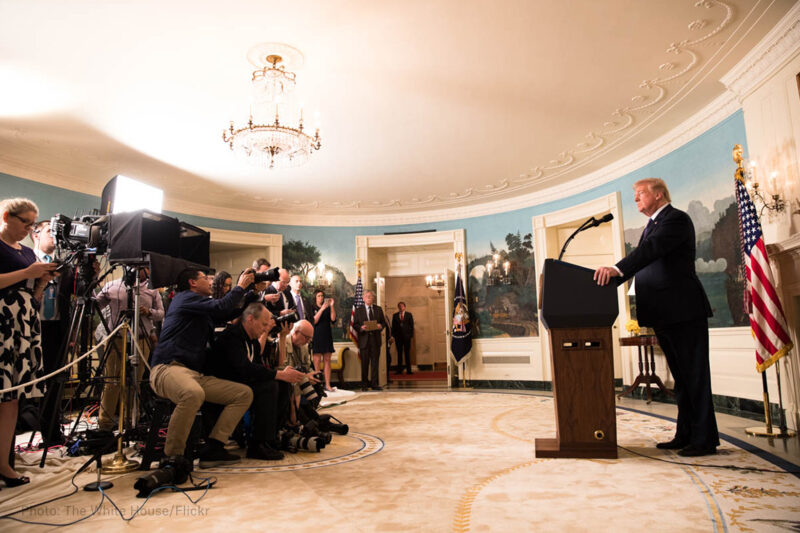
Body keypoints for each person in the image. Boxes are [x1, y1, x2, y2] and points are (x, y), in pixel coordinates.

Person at [594, 177, 719, 457]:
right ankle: (685, 433)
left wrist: (616, 269)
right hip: (665, 312)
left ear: (659, 194)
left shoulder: (675, 219)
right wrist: (610, 279)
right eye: (635, 195)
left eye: (640, 194)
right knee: (681, 379)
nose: (636, 199)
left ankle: (704, 440)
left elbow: (649, 252)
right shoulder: (653, 225)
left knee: (694, 376)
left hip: (684, 310)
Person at [148, 268, 255, 468]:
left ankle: (214, 447)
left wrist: (251, 293)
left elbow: (227, 311)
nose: (210, 281)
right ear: (192, 283)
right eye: (205, 278)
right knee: (192, 393)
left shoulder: (199, 309)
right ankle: (172, 458)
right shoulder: (184, 298)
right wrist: (240, 286)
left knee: (243, 394)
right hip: (168, 368)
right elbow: (222, 305)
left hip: (194, 375)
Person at [0, 198, 57, 487]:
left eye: (33, 224)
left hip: (22, 325)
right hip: (1, 323)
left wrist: (42, 281)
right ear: (7, 216)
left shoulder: (25, 252)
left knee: (11, 396)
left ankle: (4, 464)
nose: (28, 229)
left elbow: (32, 298)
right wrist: (27, 273)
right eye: (25, 222)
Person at [207, 302, 309, 460]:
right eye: (263, 324)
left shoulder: (252, 340)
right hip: (223, 382)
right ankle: (257, 444)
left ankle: (270, 438)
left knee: (282, 384)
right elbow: (243, 368)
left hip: (241, 380)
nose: (265, 328)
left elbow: (258, 368)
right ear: (250, 319)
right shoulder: (232, 336)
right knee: (269, 386)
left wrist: (280, 374)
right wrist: (278, 374)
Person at [94, 267, 164, 431]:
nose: (138, 270)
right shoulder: (112, 285)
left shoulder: (152, 290)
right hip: (116, 338)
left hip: (141, 340)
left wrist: (148, 312)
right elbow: (96, 305)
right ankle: (105, 423)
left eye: (143, 267)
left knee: (136, 382)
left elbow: (161, 313)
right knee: (112, 381)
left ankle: (133, 420)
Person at [352, 290, 386, 391]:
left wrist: (380, 326)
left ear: (373, 298)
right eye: (366, 296)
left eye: (370, 296)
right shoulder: (358, 310)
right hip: (364, 341)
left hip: (375, 340)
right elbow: (355, 325)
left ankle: (374, 384)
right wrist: (361, 328)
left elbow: (383, 323)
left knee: (375, 363)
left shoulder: (378, 309)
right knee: (365, 364)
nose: (368, 298)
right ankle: (364, 384)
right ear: (363, 298)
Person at [311, 289, 336, 391]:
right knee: (317, 361)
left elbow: (333, 319)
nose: (321, 298)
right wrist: (321, 309)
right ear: (315, 297)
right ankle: (318, 385)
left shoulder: (328, 307)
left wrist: (331, 306)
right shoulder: (312, 307)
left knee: (327, 360)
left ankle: (327, 384)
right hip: (316, 334)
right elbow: (314, 321)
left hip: (327, 335)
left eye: (322, 296)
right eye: (318, 296)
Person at [391, 301, 414, 375]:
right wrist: (393, 336)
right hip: (398, 338)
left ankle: (409, 370)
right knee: (399, 354)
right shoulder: (395, 315)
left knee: (407, 354)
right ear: (398, 307)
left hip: (407, 337)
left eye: (402, 306)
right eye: (399, 306)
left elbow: (411, 326)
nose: (401, 307)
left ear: (404, 307)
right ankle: (399, 370)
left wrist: (410, 335)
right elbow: (393, 327)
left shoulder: (409, 315)